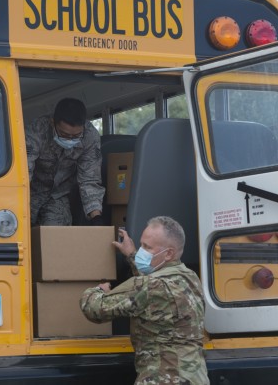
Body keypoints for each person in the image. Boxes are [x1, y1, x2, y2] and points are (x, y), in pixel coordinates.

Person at [80, 216, 208, 385]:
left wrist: (98, 290)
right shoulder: (190, 278)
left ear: (168, 253)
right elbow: (153, 288)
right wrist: (132, 256)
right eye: (141, 245)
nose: (142, 251)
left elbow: (94, 309)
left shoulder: (149, 287)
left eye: (147, 247)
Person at [25, 97, 105, 226]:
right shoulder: (37, 131)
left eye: (76, 136)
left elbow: (89, 179)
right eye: (64, 134)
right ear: (53, 123)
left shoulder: (90, 137)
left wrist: (96, 217)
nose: (70, 139)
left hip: (59, 195)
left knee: (58, 238)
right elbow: (24, 170)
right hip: (30, 192)